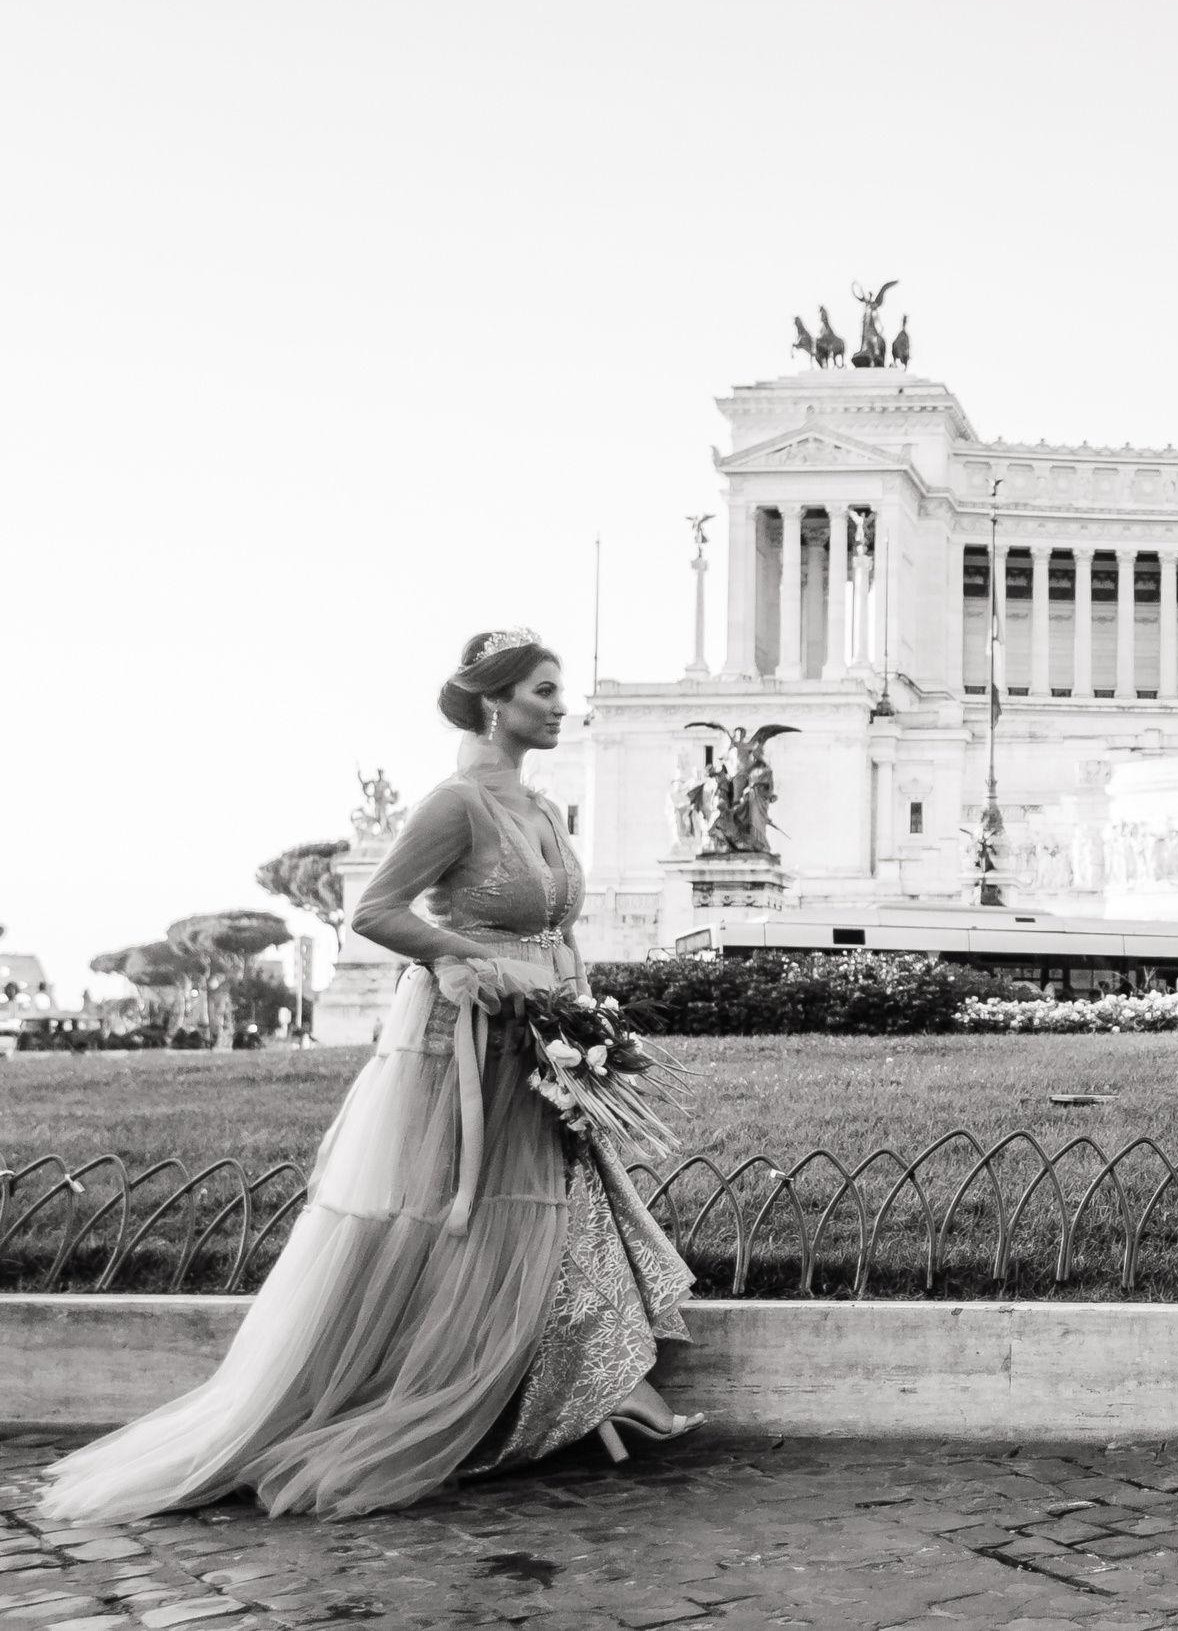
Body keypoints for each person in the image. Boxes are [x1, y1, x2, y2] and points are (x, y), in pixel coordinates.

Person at [43, 631, 701, 1525]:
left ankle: (596, 1382)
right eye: (543, 691)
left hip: (546, 1038)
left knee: (559, 1198)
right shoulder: (453, 804)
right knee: (476, 1212)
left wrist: (583, 1016)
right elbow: (374, 909)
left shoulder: (545, 810)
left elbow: (557, 929)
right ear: (493, 703)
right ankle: (483, 1394)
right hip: (466, 1040)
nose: (560, 706)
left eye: (561, 692)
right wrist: (465, 956)